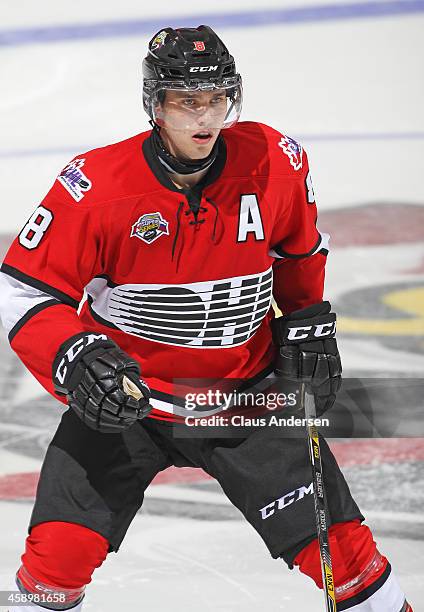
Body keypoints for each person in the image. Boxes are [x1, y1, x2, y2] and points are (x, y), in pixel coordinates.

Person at [0, 25, 412, 612]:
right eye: (186, 101)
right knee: (54, 566)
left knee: (346, 558)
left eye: (217, 97)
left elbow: (299, 254)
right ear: (155, 106)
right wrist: (74, 355)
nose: (206, 116)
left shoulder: (276, 161)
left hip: (245, 398)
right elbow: (25, 292)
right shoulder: (95, 187)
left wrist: (308, 323)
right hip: (130, 403)